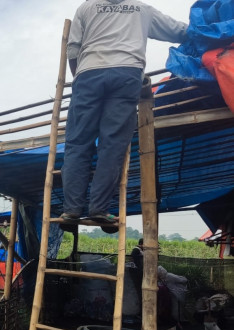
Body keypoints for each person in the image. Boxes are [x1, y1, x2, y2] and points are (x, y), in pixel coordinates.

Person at [61, 1, 187, 228]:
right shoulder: (141, 9)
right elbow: (179, 31)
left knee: (78, 143)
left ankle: (71, 210)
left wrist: (79, 75)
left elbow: (73, 49)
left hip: (88, 73)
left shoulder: (86, 8)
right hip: (126, 72)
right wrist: (214, 33)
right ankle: (98, 208)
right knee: (112, 145)